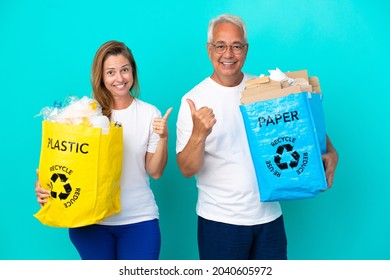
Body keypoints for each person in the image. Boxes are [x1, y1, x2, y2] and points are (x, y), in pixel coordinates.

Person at [176, 14, 339, 260]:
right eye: (220, 46)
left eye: (236, 46)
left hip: (269, 218)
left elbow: (302, 126)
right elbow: (187, 169)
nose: (228, 54)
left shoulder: (265, 89)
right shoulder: (194, 100)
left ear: (246, 49)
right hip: (220, 222)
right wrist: (199, 134)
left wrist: (332, 152)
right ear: (210, 50)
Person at [35, 40, 172, 260]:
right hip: (91, 222)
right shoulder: (84, 114)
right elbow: (63, 161)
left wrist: (163, 138)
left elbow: (155, 172)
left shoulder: (149, 113)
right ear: (101, 76)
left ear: (133, 72)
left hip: (138, 219)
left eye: (124, 70)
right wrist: (43, 185)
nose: (119, 79)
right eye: (111, 72)